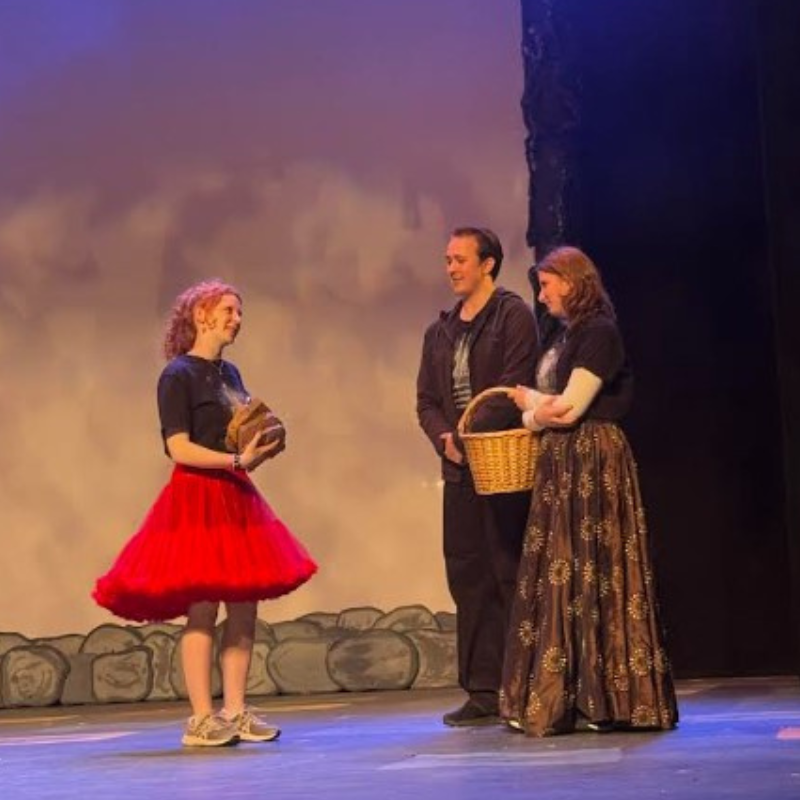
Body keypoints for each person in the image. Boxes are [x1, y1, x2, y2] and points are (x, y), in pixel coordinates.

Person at [93, 279, 317, 747]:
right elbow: (178, 447)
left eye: (240, 311)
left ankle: (235, 710)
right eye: (230, 310)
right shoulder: (177, 375)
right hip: (199, 494)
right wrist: (235, 461)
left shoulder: (229, 374)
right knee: (203, 606)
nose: (238, 319)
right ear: (201, 315)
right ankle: (200, 718)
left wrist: (265, 438)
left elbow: (238, 429)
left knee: (244, 606)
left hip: (235, 493)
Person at [500, 246, 678, 736]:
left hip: (592, 457)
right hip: (564, 462)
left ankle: (611, 698)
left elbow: (572, 408)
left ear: (574, 282)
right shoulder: (568, 335)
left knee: (596, 569)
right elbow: (557, 409)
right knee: (564, 571)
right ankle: (571, 695)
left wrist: (529, 410)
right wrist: (541, 412)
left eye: (547, 284)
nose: (542, 295)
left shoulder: (598, 332)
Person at [416, 227, 538, 726]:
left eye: (460, 259)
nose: (451, 268)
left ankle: (524, 684)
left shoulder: (512, 316)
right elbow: (425, 400)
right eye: (447, 259)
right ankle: (484, 690)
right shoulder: (440, 331)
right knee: (468, 575)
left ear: (488, 263)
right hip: (460, 470)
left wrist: (467, 437)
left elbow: (512, 386)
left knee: (508, 571)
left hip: (501, 464)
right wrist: (445, 439)